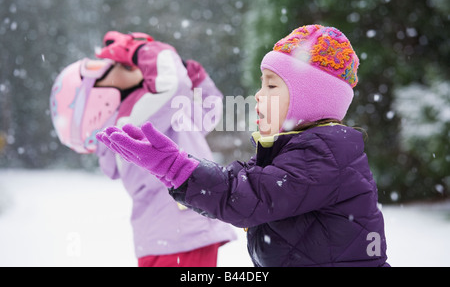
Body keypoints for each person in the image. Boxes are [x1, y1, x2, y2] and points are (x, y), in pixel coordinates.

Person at [96, 25, 389, 267]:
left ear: (311, 99)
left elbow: (245, 197)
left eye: (272, 86)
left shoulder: (322, 155)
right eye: (261, 85)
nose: (259, 96)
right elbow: (235, 183)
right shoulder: (290, 152)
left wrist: (176, 167)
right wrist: (171, 170)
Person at [50, 31, 236, 267]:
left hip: (175, 235)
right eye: (120, 65)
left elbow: (205, 115)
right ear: (97, 98)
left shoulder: (152, 111)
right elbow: (173, 84)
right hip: (179, 236)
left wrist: (196, 80)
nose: (126, 63)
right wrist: (141, 51)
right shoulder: (128, 121)